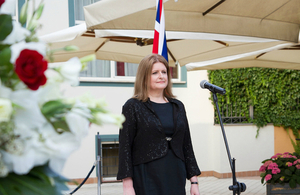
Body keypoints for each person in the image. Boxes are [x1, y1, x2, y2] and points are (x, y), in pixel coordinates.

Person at [117, 54, 201, 195]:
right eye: (155, 73)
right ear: (144, 77)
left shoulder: (178, 106)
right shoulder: (132, 106)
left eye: (164, 72)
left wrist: (194, 181)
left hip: (175, 173)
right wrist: (127, 186)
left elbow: (187, 145)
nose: (161, 76)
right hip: (146, 175)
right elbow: (125, 148)